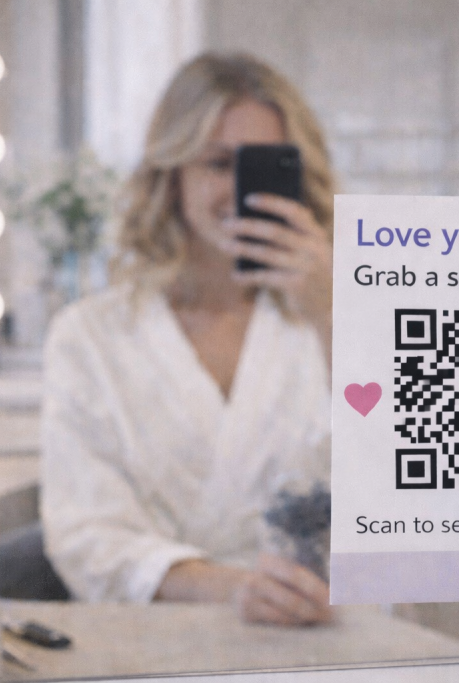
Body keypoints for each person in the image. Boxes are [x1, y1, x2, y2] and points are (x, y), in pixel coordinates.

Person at [39, 52, 335, 626]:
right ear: (172, 176)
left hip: (324, 632)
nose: (241, 190)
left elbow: (406, 484)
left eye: (263, 165)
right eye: (218, 164)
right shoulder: (91, 336)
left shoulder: (336, 318)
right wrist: (229, 588)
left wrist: (333, 315)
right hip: (156, 639)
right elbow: (85, 533)